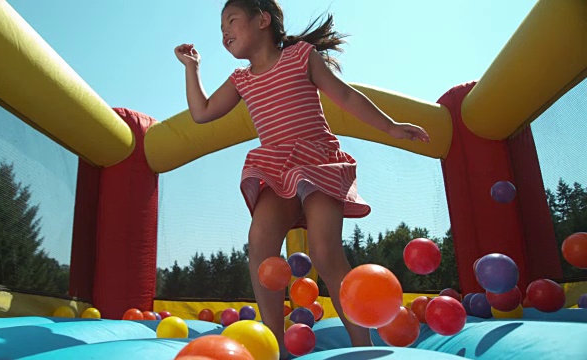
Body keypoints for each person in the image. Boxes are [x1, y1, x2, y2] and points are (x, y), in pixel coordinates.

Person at [175, 0, 429, 357]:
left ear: (263, 20)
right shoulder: (241, 80)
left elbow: (344, 94)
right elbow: (201, 113)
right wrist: (192, 68)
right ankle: (273, 347)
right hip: (277, 167)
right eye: (221, 29)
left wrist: (390, 126)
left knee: (326, 254)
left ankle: (361, 347)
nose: (224, 33)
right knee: (260, 243)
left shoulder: (300, 56)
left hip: (317, 162)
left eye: (231, 21)